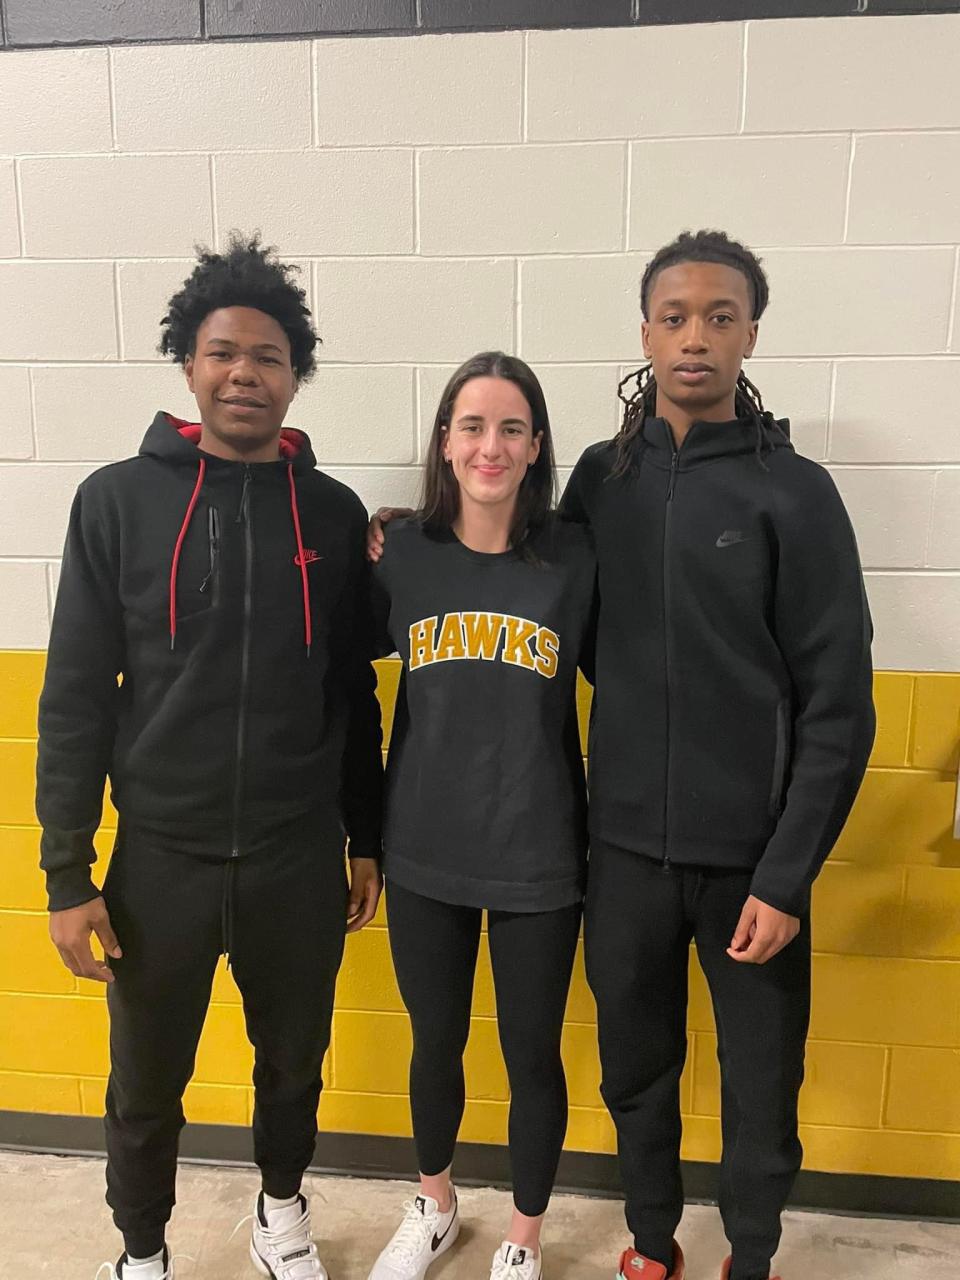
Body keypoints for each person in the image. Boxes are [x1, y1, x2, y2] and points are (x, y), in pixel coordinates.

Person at [36, 234, 383, 1280]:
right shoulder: (115, 502)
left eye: (269, 356)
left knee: (293, 1067)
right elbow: (73, 694)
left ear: (294, 374)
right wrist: (67, 870)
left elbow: (352, 691)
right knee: (145, 1082)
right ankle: (140, 1251)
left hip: (294, 856)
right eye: (224, 350)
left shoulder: (327, 512)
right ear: (188, 362)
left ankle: (281, 1211)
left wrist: (367, 833)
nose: (246, 372)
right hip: (161, 861)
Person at [560, 230, 876, 1280]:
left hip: (752, 867)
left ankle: (751, 1255)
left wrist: (787, 877)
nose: (696, 337)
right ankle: (652, 1241)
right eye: (674, 315)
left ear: (751, 332)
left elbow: (839, 704)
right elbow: (536, 600)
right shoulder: (601, 479)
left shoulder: (797, 492)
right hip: (625, 859)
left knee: (759, 1084)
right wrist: (408, 539)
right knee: (636, 1071)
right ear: (644, 330)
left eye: (720, 316)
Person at [366, 352, 596, 1280]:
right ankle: (436, 1200)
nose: (489, 444)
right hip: (423, 847)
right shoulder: (402, 556)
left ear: (536, 446)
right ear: (446, 444)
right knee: (437, 1042)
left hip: (540, 850)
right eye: (472, 425)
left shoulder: (577, 558)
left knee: (532, 1052)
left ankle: (525, 1236)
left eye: (510, 427)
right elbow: (339, 686)